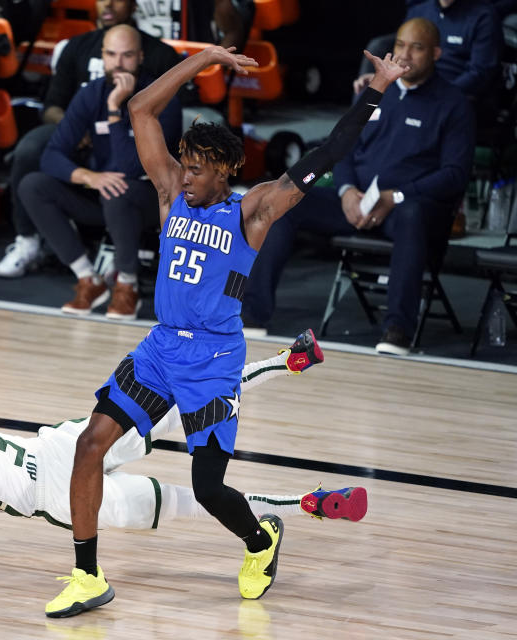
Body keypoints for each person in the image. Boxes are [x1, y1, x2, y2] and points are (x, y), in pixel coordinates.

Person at [44, 44, 408, 617]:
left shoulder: (252, 213)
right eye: (182, 163)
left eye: (195, 167)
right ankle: (86, 575)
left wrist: (377, 90)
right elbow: (141, 110)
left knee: (211, 488)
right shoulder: (170, 194)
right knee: (90, 447)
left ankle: (261, 542)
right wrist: (207, 58)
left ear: (223, 171)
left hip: (213, 361)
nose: (183, 174)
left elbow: (330, 150)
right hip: (161, 348)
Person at [0, 333, 366, 595]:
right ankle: (285, 368)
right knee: (186, 414)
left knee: (184, 505)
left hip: (60, 496)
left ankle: (300, 507)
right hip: (67, 445)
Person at [245, 18, 476, 356]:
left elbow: (455, 175)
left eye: (417, 47)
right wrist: (346, 191)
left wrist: (395, 196)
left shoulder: (454, 104)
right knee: (283, 204)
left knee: (413, 215)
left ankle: (398, 329)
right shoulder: (376, 92)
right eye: (400, 45)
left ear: (437, 53)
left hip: (405, 208)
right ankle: (252, 314)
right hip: (356, 202)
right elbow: (343, 146)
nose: (406, 54)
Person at [0, 0, 182, 278]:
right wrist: (85, 172)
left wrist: (113, 113)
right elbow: (52, 110)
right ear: (103, 55)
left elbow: (131, 166)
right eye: (112, 55)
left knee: (119, 190)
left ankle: (126, 283)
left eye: (127, 56)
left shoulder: (160, 70)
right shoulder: (84, 65)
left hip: (142, 190)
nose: (118, 63)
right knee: (31, 159)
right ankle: (43, 251)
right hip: (91, 146)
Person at [353, 0, 501, 101]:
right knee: (368, 87)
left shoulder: (483, 16)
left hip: (449, 92)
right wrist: (386, 79)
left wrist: (441, 93)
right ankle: (348, 139)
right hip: (413, 84)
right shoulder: (419, 10)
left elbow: (480, 73)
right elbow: (403, 58)